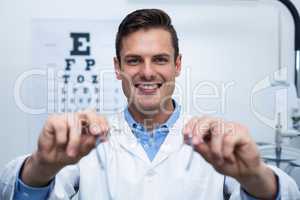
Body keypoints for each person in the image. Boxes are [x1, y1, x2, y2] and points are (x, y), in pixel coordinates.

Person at [1, 8, 300, 200]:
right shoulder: (87, 140)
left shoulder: (215, 139)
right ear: (117, 67)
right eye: (134, 61)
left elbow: (282, 194)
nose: (146, 72)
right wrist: (39, 168)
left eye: (159, 59)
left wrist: (255, 177)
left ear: (177, 65)